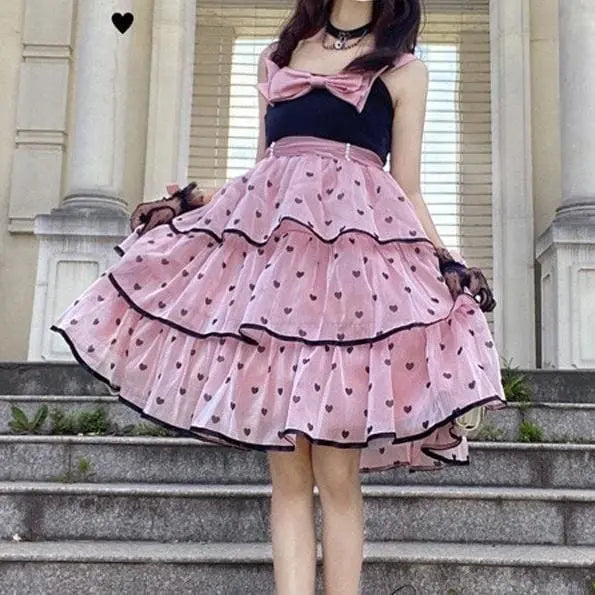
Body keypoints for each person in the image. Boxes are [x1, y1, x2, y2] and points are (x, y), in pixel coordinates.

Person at [50, 0, 508, 592]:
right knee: (288, 475)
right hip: (277, 286)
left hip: (351, 287)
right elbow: (260, 171)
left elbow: (408, 188)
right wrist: (190, 204)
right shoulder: (279, 57)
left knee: (337, 475)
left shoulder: (403, 70)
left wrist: (446, 261)